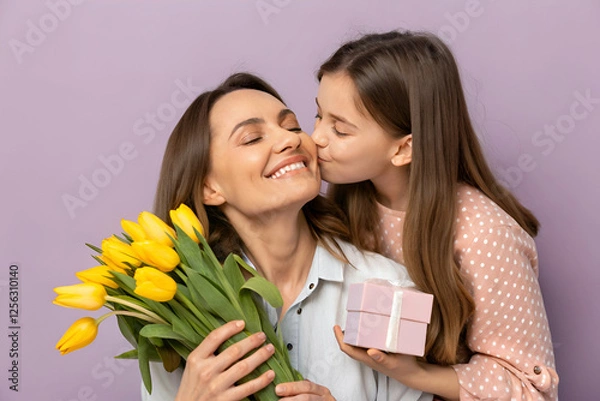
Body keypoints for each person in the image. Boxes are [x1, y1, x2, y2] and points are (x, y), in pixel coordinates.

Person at [143, 72, 432, 401]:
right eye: (253, 138)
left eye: (293, 126)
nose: (291, 139)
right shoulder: (177, 309)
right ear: (209, 187)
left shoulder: (390, 288)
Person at [311, 30, 559, 400]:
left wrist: (416, 374)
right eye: (317, 115)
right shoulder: (352, 197)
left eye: (340, 129)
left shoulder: (482, 234)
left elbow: (531, 391)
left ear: (403, 149)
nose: (316, 137)